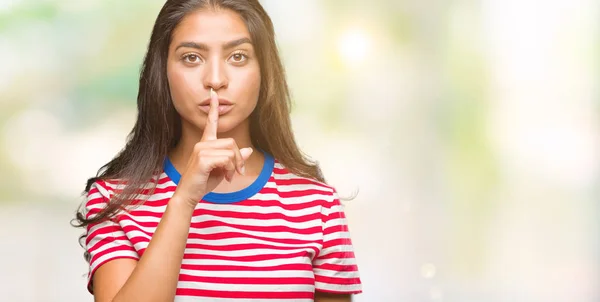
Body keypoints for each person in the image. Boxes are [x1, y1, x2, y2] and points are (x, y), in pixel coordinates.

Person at [73, 0, 362, 301]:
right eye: (191, 57)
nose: (215, 79)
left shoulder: (317, 206)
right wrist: (183, 200)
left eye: (238, 56)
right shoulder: (115, 200)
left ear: (264, 71)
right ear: (163, 71)